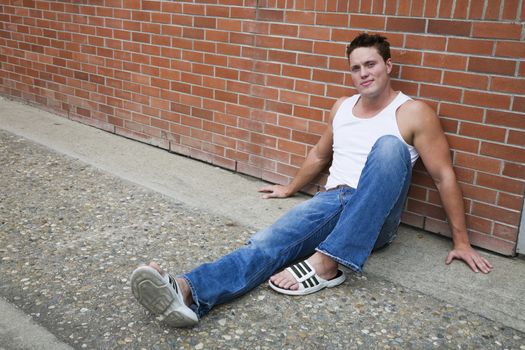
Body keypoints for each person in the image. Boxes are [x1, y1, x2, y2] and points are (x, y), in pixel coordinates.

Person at [130, 33, 492, 327]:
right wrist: (290, 188)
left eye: (371, 64)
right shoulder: (342, 107)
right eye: (356, 68)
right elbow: (320, 154)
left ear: (388, 66)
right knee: (269, 243)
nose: (364, 73)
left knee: (388, 148)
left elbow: (444, 175)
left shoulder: (413, 112)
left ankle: (327, 263)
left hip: (377, 219)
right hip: (331, 201)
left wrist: (461, 241)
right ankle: (186, 291)